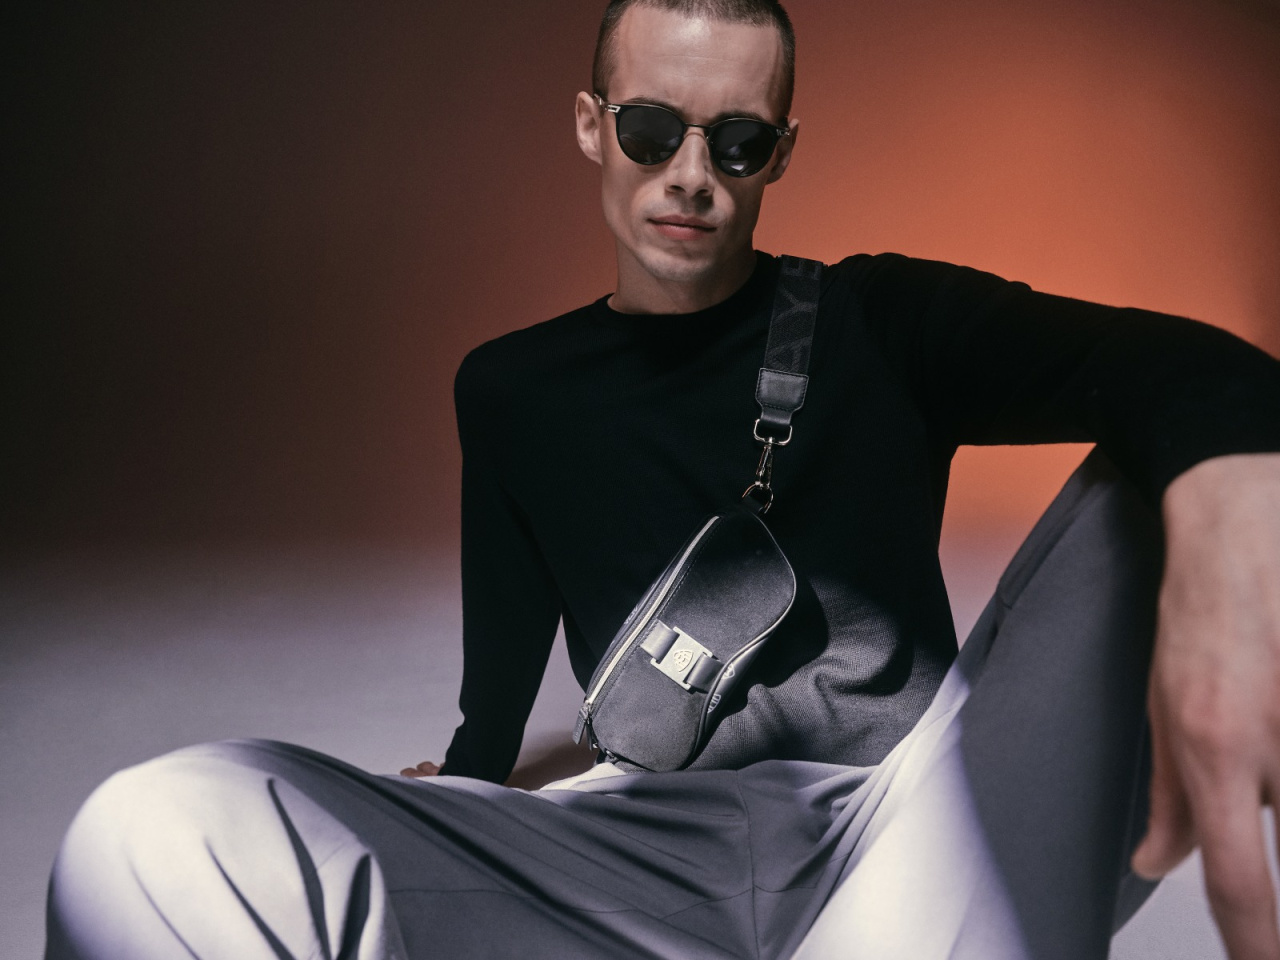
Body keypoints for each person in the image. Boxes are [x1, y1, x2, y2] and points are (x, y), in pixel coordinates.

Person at [46, 2, 1280, 958]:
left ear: (778, 154)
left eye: (734, 141)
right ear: (592, 126)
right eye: (652, 130)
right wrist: (468, 799)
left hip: (910, 829)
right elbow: (492, 703)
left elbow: (1178, 368)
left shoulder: (878, 321)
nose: (691, 172)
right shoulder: (511, 388)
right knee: (151, 828)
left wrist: (1231, 513)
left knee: (1178, 469)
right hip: (627, 855)